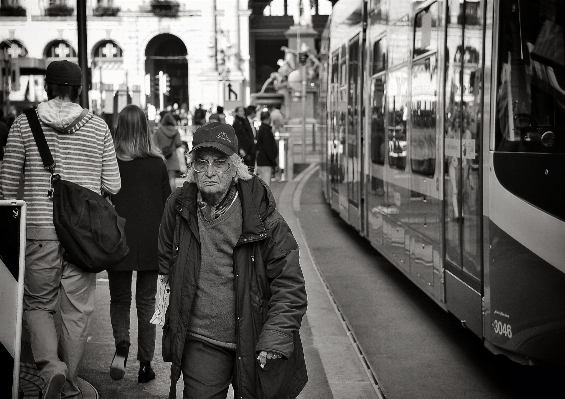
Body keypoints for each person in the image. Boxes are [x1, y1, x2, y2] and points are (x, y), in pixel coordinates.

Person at [156, 122, 308, 399]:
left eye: (220, 163)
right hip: (201, 340)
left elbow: (290, 282)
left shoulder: (262, 216)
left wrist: (275, 336)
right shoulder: (178, 207)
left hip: (254, 337)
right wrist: (168, 319)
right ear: (192, 167)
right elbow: (167, 266)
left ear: (236, 167)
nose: (210, 172)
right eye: (202, 163)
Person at [0, 60, 121, 399]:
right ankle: (69, 385)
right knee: (77, 311)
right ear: (79, 90)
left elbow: (7, 188)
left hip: (39, 230)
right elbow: (113, 181)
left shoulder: (24, 124)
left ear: (48, 88)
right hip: (82, 235)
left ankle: (51, 367)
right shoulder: (98, 127)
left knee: (38, 305)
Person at [108, 105, 172, 384]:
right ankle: (146, 364)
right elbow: (167, 204)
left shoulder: (111, 161)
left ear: (119, 129)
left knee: (120, 300)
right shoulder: (157, 164)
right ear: (146, 129)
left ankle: (122, 344)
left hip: (118, 240)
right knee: (148, 304)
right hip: (151, 241)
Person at [154, 112, 186, 190]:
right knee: (172, 178)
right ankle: (171, 197)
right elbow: (178, 143)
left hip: (161, 157)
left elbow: (155, 144)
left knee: (162, 179)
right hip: (172, 156)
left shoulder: (159, 131)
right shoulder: (175, 131)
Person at [256, 111, 278, 186]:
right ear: (269, 118)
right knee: (265, 184)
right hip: (266, 161)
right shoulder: (265, 130)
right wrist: (273, 160)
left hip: (262, 161)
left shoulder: (262, 129)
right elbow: (267, 147)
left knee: (262, 184)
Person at [232, 106, 256, 171]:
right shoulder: (237, 123)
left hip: (248, 149)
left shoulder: (244, 121)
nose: (242, 112)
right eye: (240, 111)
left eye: (243, 111)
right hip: (243, 150)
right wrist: (240, 148)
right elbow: (236, 137)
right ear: (236, 113)